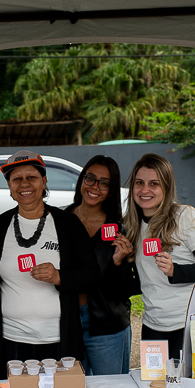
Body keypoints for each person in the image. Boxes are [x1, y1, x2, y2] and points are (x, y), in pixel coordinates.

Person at [0, 150, 100, 379]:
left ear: (44, 181)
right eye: (17, 179)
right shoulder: (0, 226)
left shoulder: (67, 224)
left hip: (58, 340)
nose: (24, 184)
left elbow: (92, 274)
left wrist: (59, 277)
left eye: (31, 177)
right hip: (11, 340)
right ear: (9, 186)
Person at [124, 153, 195, 359]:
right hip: (152, 325)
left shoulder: (185, 217)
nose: (144, 190)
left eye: (154, 184)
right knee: (153, 378)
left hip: (186, 323)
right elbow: (142, 281)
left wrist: (175, 271)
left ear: (166, 187)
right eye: (139, 183)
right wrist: (120, 260)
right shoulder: (131, 226)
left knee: (183, 380)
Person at [68, 155, 140, 375]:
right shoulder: (60, 221)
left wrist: (119, 262)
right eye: (90, 178)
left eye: (104, 183)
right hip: (67, 324)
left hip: (108, 326)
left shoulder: (121, 229)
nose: (94, 187)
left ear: (111, 190)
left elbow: (129, 289)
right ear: (82, 180)